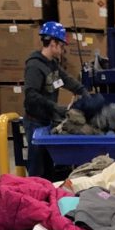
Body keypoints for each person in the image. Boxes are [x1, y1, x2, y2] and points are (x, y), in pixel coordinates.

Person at [23, 21, 89, 178]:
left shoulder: (51, 64)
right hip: (35, 123)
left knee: (48, 167)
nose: (63, 49)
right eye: (61, 45)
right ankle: (34, 196)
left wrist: (83, 91)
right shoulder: (35, 66)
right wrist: (56, 107)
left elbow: (66, 79)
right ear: (53, 43)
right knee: (37, 167)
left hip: (47, 121)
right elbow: (31, 95)